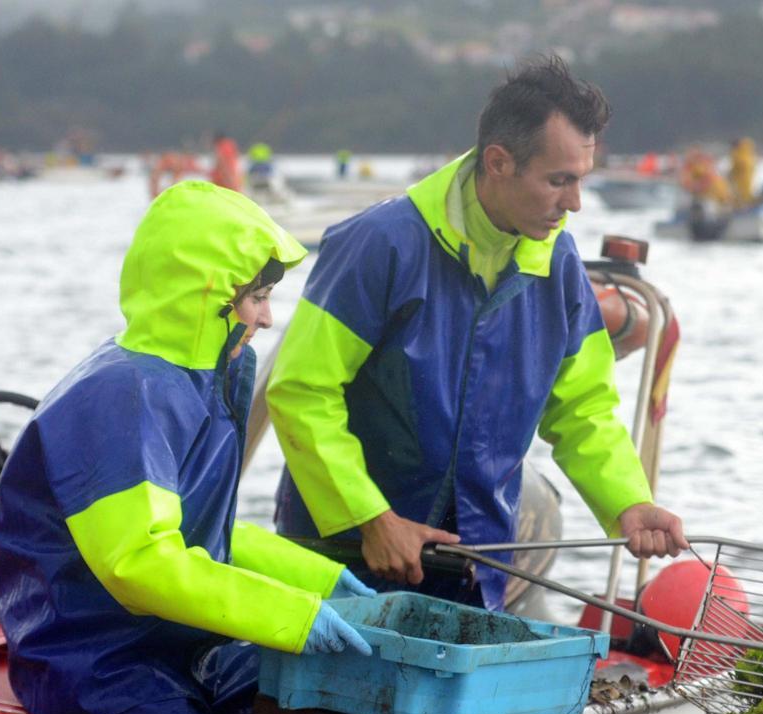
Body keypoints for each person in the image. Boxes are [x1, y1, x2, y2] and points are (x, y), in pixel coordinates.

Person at [266, 55, 687, 612]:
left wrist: (629, 502)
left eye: (580, 181)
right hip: (340, 560)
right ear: (498, 162)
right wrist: (371, 518)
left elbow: (582, 407)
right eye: (558, 181)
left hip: (473, 566)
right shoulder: (380, 244)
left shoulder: (558, 265)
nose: (575, 203)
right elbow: (302, 389)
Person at [0, 181, 373, 714]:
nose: (269, 318)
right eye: (258, 298)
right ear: (208, 296)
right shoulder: (122, 396)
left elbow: (206, 533)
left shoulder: (197, 375)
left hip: (174, 641)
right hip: (93, 661)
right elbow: (141, 565)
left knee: (328, 708)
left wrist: (325, 582)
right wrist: (296, 617)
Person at [727, 137, 756, 206]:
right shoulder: (746, 150)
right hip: (743, 174)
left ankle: (745, 203)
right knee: (742, 191)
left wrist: (732, 172)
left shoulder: (739, 152)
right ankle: (744, 202)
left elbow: (740, 163)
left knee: (743, 190)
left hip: (742, 174)